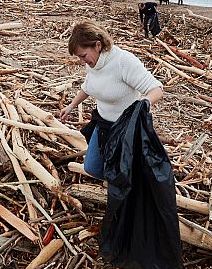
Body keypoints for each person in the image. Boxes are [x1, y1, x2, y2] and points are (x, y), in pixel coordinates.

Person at [60, 21, 163, 180]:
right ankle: (114, 183)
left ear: (98, 45)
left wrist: (144, 103)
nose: (82, 61)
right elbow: (88, 86)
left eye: (83, 56)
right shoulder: (93, 64)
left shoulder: (123, 62)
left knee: (126, 173)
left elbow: (156, 89)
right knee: (92, 167)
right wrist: (71, 106)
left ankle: (121, 192)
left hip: (125, 128)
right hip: (103, 123)